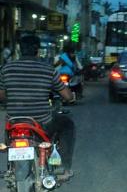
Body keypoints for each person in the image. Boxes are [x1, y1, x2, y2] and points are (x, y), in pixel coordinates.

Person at [0, 35, 76, 179]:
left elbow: (1, 95)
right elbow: (66, 95)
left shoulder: (6, 69)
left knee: (9, 126)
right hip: (41, 121)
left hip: (15, 121)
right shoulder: (48, 69)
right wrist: (71, 97)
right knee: (67, 124)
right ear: (38, 50)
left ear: (19, 50)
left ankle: (11, 167)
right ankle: (64, 168)